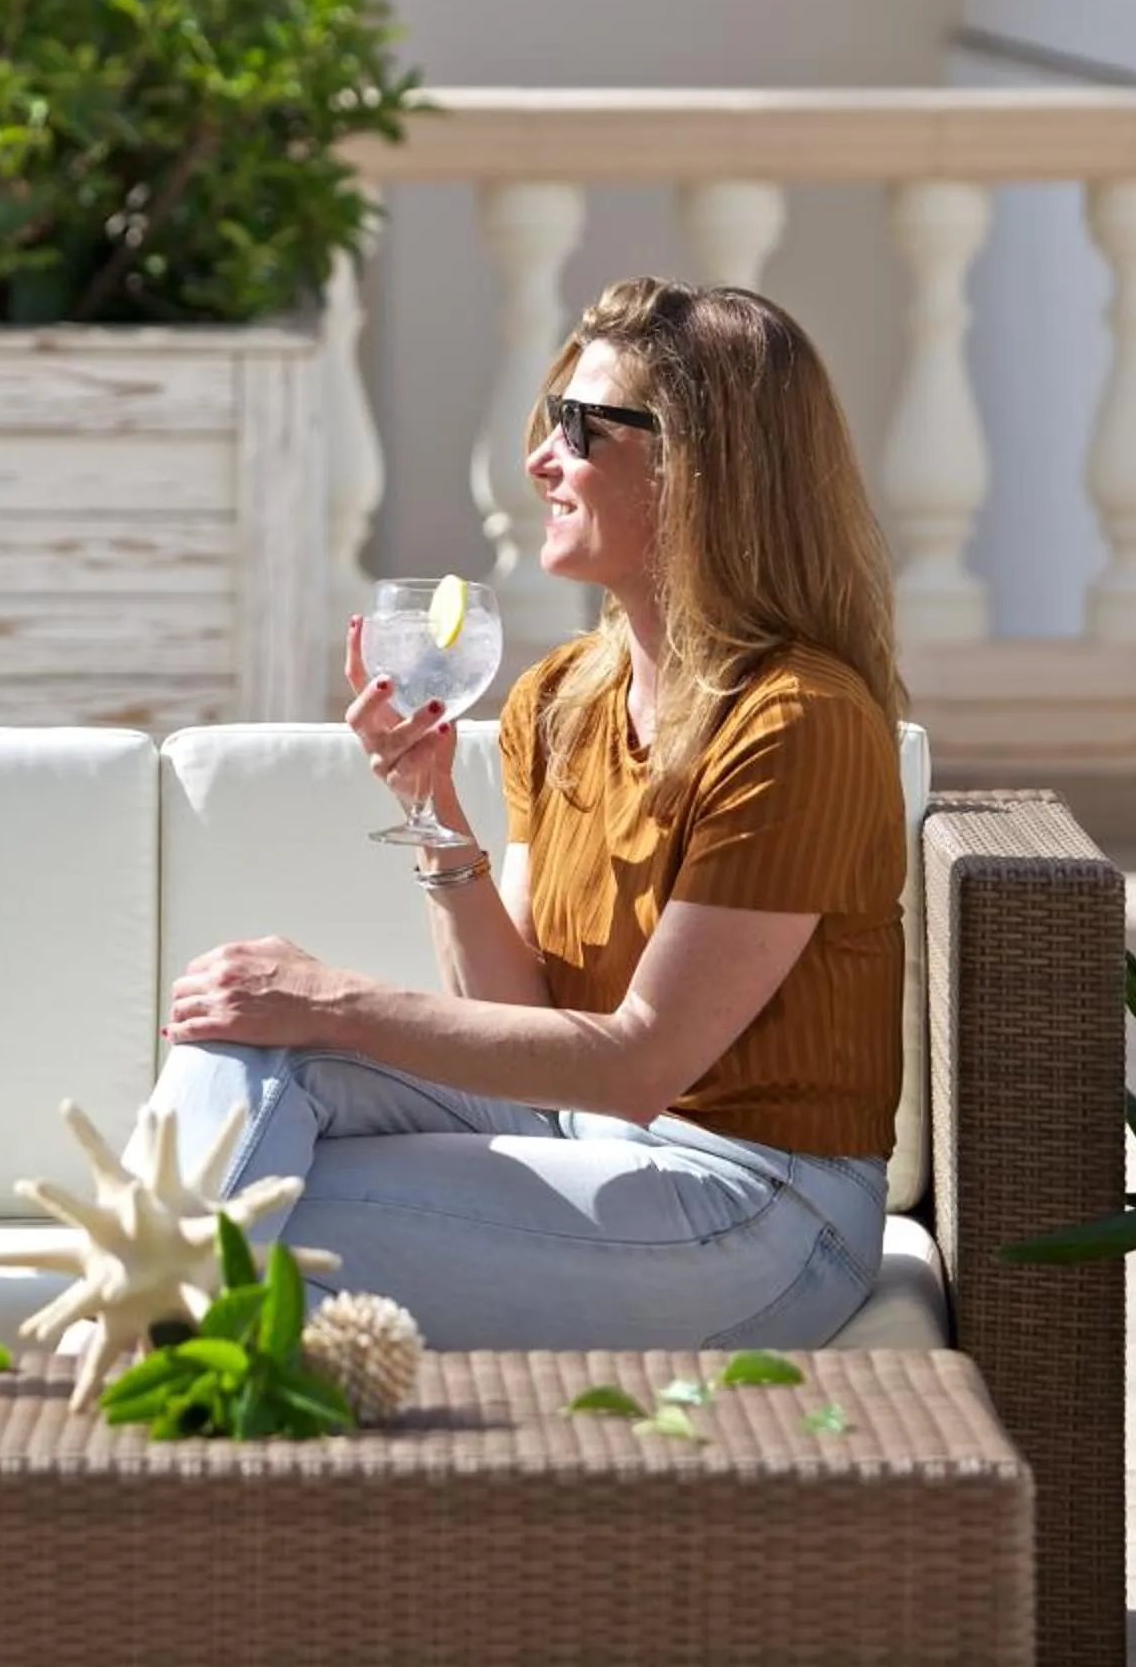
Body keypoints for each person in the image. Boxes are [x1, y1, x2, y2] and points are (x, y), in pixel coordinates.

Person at [138, 277, 908, 1349]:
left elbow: (640, 1065)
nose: (543, 457)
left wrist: (331, 994)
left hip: (761, 1207)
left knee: (239, 1225)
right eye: (552, 418)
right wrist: (434, 813)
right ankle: (145, 1368)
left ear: (700, 467)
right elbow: (528, 1013)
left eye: (583, 427)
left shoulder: (797, 723)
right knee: (244, 1040)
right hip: (594, 1134)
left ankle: (116, 1422)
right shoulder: (562, 697)